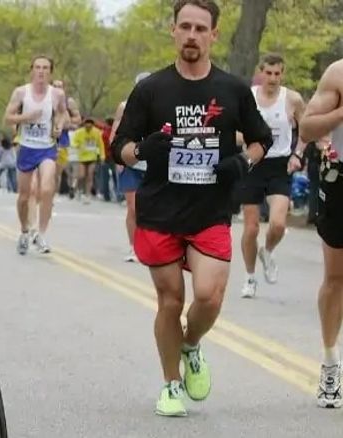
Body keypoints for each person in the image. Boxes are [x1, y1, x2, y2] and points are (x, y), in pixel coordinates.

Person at [111, 0, 272, 417]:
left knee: (208, 296)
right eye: (185, 27)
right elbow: (119, 148)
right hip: (160, 210)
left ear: (214, 35)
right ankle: (169, 385)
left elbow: (261, 140)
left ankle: (191, 344)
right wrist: (142, 149)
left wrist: (242, 162)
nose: (192, 36)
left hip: (210, 210)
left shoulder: (233, 89)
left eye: (201, 29)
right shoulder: (150, 89)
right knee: (169, 301)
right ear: (173, 31)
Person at [239, 53, 306, 298]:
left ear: (282, 74)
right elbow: (236, 131)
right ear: (261, 73)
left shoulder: (292, 99)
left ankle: (267, 251)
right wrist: (248, 138)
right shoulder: (249, 98)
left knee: (277, 224)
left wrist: (297, 154)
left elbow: (307, 128)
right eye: (268, 73)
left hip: (280, 166)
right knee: (251, 228)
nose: (273, 78)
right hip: (254, 163)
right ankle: (249, 277)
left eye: (278, 73)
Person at [299, 57, 343, 409]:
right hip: (341, 179)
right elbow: (307, 129)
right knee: (336, 277)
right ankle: (330, 361)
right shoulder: (339, 73)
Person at [4, 55, 67, 254]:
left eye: (45, 68)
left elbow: (63, 113)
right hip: (26, 147)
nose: (41, 71)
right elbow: (7, 118)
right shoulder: (21, 92)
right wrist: (26, 117)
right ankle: (24, 231)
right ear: (32, 70)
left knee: (47, 188)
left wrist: (58, 125)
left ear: (50, 72)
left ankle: (41, 234)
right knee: (24, 196)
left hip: (47, 148)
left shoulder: (56, 94)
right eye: (38, 67)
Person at [110, 72, 151, 262]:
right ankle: (134, 247)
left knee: (151, 208)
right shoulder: (125, 107)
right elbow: (115, 134)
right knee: (133, 207)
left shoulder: (162, 106)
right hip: (131, 163)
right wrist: (117, 157)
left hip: (153, 164)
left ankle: (151, 244)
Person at [52, 79, 82, 195]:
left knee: (57, 171)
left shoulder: (69, 102)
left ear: (64, 88)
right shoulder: (45, 99)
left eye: (59, 86)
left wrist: (66, 123)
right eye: (54, 86)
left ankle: (52, 195)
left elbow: (78, 119)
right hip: (46, 138)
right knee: (47, 169)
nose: (57, 88)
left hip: (62, 140)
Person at [72, 117, 105, 204]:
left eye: (90, 123)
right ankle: (78, 190)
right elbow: (73, 142)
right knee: (81, 176)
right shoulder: (79, 132)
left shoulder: (97, 132)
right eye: (87, 123)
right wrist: (78, 145)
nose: (89, 125)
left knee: (90, 176)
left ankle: (88, 194)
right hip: (82, 157)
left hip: (92, 157)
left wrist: (102, 156)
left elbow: (101, 145)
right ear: (84, 124)